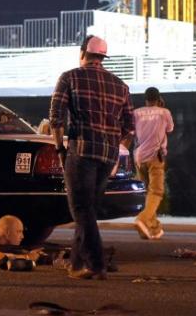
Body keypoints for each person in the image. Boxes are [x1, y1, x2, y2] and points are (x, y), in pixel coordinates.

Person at [49, 35, 134, 280]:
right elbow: (129, 125)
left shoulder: (70, 77)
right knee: (88, 210)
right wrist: (115, 147)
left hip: (82, 150)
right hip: (108, 155)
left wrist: (59, 148)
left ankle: (97, 264)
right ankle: (76, 264)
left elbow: (56, 117)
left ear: (82, 52)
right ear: (103, 57)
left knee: (79, 208)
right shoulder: (120, 85)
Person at [132, 87, 174, 240]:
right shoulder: (164, 112)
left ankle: (154, 228)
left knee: (147, 193)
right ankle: (142, 220)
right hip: (155, 157)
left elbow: (131, 132)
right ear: (159, 98)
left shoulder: (136, 113)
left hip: (138, 157)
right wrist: (161, 108)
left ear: (145, 99)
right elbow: (170, 129)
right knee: (156, 191)